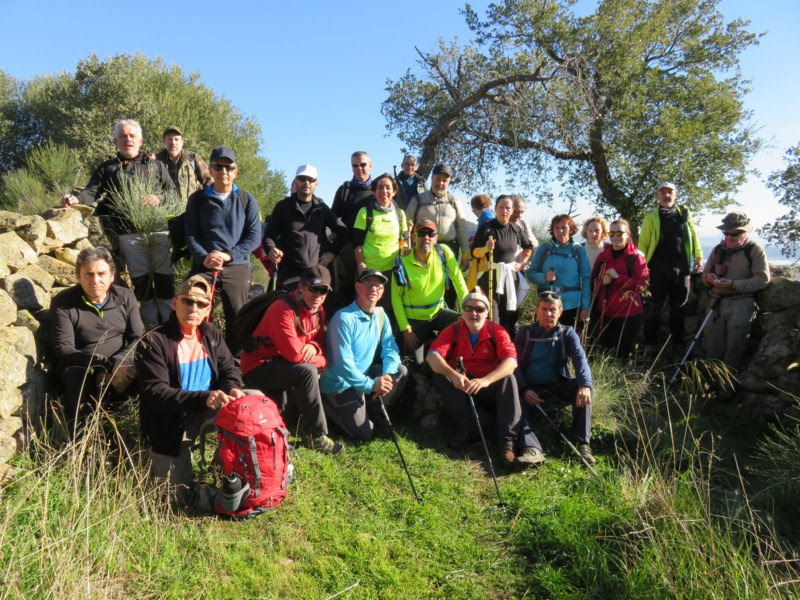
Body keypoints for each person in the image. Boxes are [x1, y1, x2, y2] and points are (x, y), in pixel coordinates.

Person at [136, 275, 245, 504]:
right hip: (172, 420)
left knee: (253, 404)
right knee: (174, 497)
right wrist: (205, 398)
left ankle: (224, 470)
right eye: (187, 301)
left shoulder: (211, 334)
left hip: (210, 406)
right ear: (175, 303)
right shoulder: (154, 341)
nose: (193, 308)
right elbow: (156, 393)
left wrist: (233, 388)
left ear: (208, 309)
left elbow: (229, 370)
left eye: (201, 304)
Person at [61, 119, 177, 325]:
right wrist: (75, 199)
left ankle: (170, 322)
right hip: (128, 233)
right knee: (140, 280)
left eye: (132, 136)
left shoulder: (156, 165)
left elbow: (173, 194)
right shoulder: (108, 167)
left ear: (140, 141)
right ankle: (150, 325)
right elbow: (92, 191)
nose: (128, 139)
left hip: (158, 231)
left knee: (164, 277)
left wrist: (158, 198)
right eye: (123, 136)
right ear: (116, 140)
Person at [427, 287, 542, 468]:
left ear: (487, 312)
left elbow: (511, 362)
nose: (474, 313)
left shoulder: (497, 331)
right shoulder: (454, 330)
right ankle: (468, 428)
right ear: (463, 312)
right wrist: (454, 375)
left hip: (488, 385)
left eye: (480, 309)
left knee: (508, 378)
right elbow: (432, 356)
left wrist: (486, 380)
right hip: (463, 383)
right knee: (440, 375)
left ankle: (507, 442)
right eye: (469, 308)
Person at [240, 265, 343, 454]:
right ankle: (315, 435)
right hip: (258, 366)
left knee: (305, 372)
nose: (318, 295)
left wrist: (314, 348)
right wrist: (320, 361)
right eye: (313, 288)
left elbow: (320, 343)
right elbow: (295, 355)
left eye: (323, 291)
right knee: (307, 371)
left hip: (282, 365)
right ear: (301, 286)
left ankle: (301, 425)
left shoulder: (318, 311)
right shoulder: (282, 309)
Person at [50, 246, 145, 434]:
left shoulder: (125, 297)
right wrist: (105, 367)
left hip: (122, 363)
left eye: (101, 273)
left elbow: (138, 336)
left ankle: (143, 436)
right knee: (75, 377)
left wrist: (120, 363)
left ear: (112, 276)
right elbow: (65, 349)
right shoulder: (63, 303)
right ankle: (82, 441)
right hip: (82, 365)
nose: (96, 280)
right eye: (89, 274)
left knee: (154, 369)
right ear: (78, 277)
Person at [184, 146, 261, 354]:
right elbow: (190, 234)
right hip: (205, 264)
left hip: (236, 265)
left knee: (237, 317)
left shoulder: (247, 200)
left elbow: (254, 237)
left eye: (228, 167)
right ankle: (193, 355)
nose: (223, 171)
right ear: (210, 170)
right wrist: (204, 256)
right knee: (191, 307)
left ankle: (233, 366)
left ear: (236, 171)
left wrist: (229, 254)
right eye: (218, 166)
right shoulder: (197, 199)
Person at [321, 269, 409, 441]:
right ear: (358, 287)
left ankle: (372, 407)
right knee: (364, 434)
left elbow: (390, 349)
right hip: (340, 384)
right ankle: (327, 407)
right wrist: (371, 385)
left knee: (400, 371)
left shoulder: (380, 315)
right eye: (368, 284)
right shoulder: (344, 318)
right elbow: (342, 365)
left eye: (378, 285)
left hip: (364, 377)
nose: (373, 288)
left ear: (382, 291)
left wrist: (386, 375)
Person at [514, 292, 595, 466]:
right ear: (536, 310)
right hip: (530, 389)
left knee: (583, 388)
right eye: (544, 309)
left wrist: (585, 385)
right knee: (513, 396)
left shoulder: (568, 333)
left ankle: (581, 443)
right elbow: (514, 365)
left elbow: (581, 361)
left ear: (560, 312)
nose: (548, 314)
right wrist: (524, 389)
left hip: (558, 386)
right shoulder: (525, 332)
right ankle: (532, 449)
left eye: (553, 310)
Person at [702, 211, 770, 390]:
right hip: (716, 302)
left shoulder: (754, 250)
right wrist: (708, 278)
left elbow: (763, 279)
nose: (730, 237)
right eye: (727, 233)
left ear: (744, 232)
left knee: (735, 347)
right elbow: (704, 273)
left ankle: (727, 389)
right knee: (713, 346)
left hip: (741, 303)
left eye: (735, 233)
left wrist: (734, 284)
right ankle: (711, 385)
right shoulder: (718, 249)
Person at [638, 182, 703, 354]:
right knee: (654, 307)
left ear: (676, 195)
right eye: (663, 193)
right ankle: (650, 344)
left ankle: (678, 343)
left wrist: (698, 255)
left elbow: (694, 235)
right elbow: (643, 244)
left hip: (681, 268)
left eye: (670, 192)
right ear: (658, 196)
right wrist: (641, 266)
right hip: (657, 268)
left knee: (679, 307)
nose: (666, 195)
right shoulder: (650, 217)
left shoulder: (685, 214)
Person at [392, 218, 469, 359]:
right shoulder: (402, 262)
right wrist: (405, 329)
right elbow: (396, 298)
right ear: (414, 237)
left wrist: (467, 310)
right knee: (415, 363)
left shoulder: (443, 253)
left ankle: (444, 352)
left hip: (438, 313)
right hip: (414, 320)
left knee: (465, 327)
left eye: (430, 233)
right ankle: (430, 352)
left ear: (436, 238)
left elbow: (459, 282)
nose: (426, 237)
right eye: (421, 233)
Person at [263, 164, 347, 291]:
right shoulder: (283, 207)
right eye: (302, 179)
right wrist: (270, 249)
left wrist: (331, 253)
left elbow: (343, 232)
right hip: (288, 274)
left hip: (315, 274)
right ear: (296, 181)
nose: (306, 183)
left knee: (312, 310)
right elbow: (269, 236)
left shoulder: (321, 208)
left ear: (316, 184)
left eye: (310, 179)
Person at [470, 194, 533, 333]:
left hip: (510, 278)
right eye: (501, 207)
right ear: (495, 209)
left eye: (508, 208)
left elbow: (528, 248)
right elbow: (474, 252)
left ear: (511, 210)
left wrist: (521, 263)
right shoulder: (487, 228)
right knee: (492, 316)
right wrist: (486, 248)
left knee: (509, 317)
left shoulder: (516, 229)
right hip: (489, 278)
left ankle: (507, 350)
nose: (504, 211)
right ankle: (491, 349)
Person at [352, 173, 410, 317]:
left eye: (388, 188)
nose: (384, 191)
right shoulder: (365, 213)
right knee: (365, 310)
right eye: (380, 188)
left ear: (394, 192)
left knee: (388, 312)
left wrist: (405, 246)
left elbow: (403, 240)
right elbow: (356, 243)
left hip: (392, 272)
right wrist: (361, 266)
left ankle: (385, 339)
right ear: (374, 191)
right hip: (369, 273)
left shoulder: (400, 214)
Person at [591, 219, 649, 357]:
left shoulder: (636, 257)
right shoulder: (603, 257)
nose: (615, 237)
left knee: (621, 355)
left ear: (627, 233)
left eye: (619, 233)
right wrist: (601, 281)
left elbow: (642, 285)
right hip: (604, 313)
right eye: (611, 233)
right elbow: (593, 282)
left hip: (628, 315)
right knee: (604, 354)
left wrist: (617, 277)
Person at [527, 214, 591, 328]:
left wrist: (585, 307)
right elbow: (531, 273)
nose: (560, 231)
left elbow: (586, 279)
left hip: (572, 305)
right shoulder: (544, 248)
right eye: (557, 228)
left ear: (571, 230)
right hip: (547, 304)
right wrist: (545, 278)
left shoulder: (579, 250)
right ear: (552, 230)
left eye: (564, 227)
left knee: (569, 342)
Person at [331, 151, 376, 304]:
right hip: (349, 249)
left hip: (375, 247)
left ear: (370, 166)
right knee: (349, 289)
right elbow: (332, 218)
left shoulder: (379, 190)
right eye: (355, 165)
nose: (359, 168)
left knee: (373, 289)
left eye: (363, 164)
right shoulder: (344, 191)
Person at [407, 164, 470, 260]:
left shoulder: (454, 201)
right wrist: (406, 247)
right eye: (438, 179)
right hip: (423, 248)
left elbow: (462, 228)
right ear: (432, 178)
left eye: (444, 180)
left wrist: (466, 255)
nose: (440, 183)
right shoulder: (417, 200)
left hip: (449, 250)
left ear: (449, 182)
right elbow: (407, 226)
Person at [155, 126, 211, 204]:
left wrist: (206, 201)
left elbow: (209, 180)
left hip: (191, 211)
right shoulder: (156, 161)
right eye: (169, 139)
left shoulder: (193, 158)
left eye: (176, 139)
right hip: (166, 213)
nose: (173, 142)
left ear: (182, 142)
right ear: (164, 141)